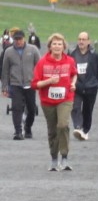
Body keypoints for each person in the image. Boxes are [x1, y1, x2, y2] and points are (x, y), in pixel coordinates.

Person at [32, 33, 77, 171]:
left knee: (63, 125)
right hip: (48, 101)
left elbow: (74, 74)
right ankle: (53, 158)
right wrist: (49, 81)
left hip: (65, 99)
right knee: (52, 130)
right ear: (50, 46)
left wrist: (73, 83)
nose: (57, 46)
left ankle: (64, 157)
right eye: (54, 44)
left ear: (64, 46)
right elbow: (35, 84)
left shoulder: (69, 61)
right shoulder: (42, 63)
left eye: (59, 44)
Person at [2, 28, 41, 140]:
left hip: (30, 84)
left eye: (20, 39)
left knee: (32, 109)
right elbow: (5, 70)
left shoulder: (33, 49)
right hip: (15, 84)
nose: (18, 41)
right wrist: (4, 87)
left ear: (24, 39)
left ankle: (27, 127)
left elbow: (39, 66)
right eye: (16, 39)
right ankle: (18, 131)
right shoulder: (8, 52)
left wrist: (39, 82)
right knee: (16, 108)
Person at [70, 31, 98, 141]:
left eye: (83, 39)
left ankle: (85, 130)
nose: (81, 41)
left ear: (89, 41)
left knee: (87, 110)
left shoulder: (94, 55)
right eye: (79, 39)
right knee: (75, 106)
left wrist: (97, 83)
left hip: (91, 87)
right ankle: (78, 127)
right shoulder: (72, 54)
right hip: (77, 86)